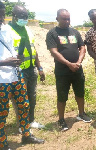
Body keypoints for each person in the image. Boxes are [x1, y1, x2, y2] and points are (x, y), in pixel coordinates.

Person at [0, 2, 44, 149]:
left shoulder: (6, 29)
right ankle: (3, 143)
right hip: (2, 80)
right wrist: (5, 62)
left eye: (2, 13)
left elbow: (15, 48)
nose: (1, 17)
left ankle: (26, 135)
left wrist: (17, 57)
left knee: (24, 105)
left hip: (16, 75)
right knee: (2, 111)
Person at [46, 9, 91, 131]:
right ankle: (61, 119)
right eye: (64, 19)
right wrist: (68, 64)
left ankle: (81, 113)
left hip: (77, 69)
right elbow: (54, 52)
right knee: (62, 95)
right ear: (57, 19)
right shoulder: (52, 33)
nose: (67, 21)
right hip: (62, 71)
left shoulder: (75, 32)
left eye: (68, 19)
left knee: (80, 92)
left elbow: (82, 47)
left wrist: (78, 62)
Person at [9, 5, 45, 130]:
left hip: (31, 69)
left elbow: (33, 50)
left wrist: (39, 68)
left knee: (32, 96)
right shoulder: (7, 31)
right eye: (21, 17)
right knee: (20, 99)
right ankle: (21, 124)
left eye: (26, 17)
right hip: (17, 71)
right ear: (14, 16)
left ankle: (31, 120)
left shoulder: (28, 30)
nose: (24, 19)